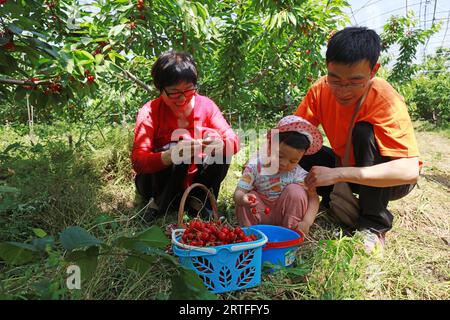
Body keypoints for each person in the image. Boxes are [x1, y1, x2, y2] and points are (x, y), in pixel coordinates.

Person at [294, 27, 421, 252]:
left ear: (373, 71)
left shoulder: (384, 98)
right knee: (299, 145)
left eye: (354, 82)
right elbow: (292, 133)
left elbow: (409, 171)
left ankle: (373, 225)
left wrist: (338, 174)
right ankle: (312, 203)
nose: (342, 90)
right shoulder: (319, 90)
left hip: (390, 178)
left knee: (364, 132)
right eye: (334, 79)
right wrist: (263, 166)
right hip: (347, 166)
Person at [132, 50, 240, 222]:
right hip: (157, 184)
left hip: (194, 180)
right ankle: (159, 204)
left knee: (221, 151)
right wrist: (168, 156)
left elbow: (233, 140)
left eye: (189, 90)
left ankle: (198, 202)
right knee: (175, 149)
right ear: (161, 89)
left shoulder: (206, 106)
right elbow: (138, 161)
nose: (182, 98)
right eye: (174, 92)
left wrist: (221, 144)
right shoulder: (150, 111)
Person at [234, 115, 322, 235]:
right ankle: (252, 236)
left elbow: (313, 199)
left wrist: (306, 222)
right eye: (280, 156)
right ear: (270, 145)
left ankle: (291, 234)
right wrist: (242, 198)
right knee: (248, 199)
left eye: (293, 161)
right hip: (261, 212)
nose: (284, 163)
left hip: (286, 216)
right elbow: (239, 192)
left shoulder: (299, 174)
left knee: (296, 191)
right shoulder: (255, 167)